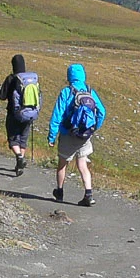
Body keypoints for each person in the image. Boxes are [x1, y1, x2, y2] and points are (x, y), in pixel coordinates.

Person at [46, 63, 105, 206]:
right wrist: (93, 128)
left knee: (62, 165)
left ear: (69, 76)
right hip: (84, 135)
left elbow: (57, 115)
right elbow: (102, 112)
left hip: (68, 133)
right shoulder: (90, 91)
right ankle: (88, 194)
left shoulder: (66, 92)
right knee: (82, 164)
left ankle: (59, 192)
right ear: (83, 75)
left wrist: (52, 136)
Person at [0, 54, 40, 176]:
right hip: (29, 114)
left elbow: (2, 96)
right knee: (23, 139)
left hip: (14, 114)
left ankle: (19, 157)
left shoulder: (11, 78)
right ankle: (20, 165)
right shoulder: (31, 79)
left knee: (13, 138)